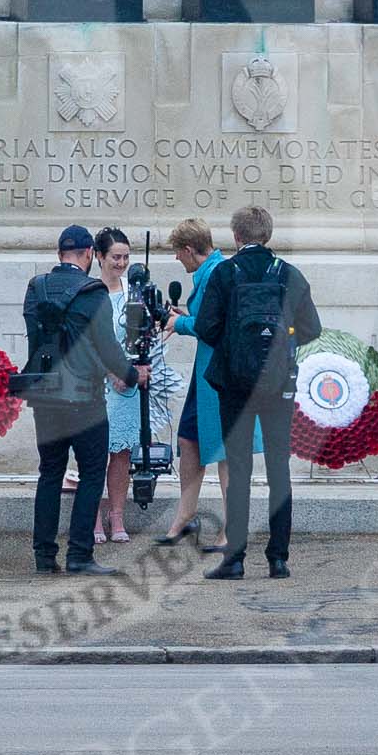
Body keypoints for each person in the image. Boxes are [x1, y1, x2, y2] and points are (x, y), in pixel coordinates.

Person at [193, 205, 322, 581]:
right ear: (268, 234)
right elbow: (311, 328)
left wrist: (235, 347)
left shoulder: (225, 274)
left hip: (234, 385)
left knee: (239, 470)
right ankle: (278, 557)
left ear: (236, 236)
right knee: (279, 469)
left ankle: (234, 559)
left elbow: (206, 327)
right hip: (278, 384)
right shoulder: (288, 274)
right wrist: (284, 341)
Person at [20, 223, 145, 576]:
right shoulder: (92, 292)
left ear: (60, 253)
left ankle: (44, 555)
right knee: (91, 474)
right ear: (90, 254)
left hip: (45, 395)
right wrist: (133, 374)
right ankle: (79, 554)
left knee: (50, 473)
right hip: (84, 397)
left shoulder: (37, 287)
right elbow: (107, 348)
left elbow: (35, 341)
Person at [158, 218, 228, 547]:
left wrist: (180, 322)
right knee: (188, 440)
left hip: (219, 373)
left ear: (189, 250)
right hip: (206, 373)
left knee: (226, 450)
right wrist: (182, 317)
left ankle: (231, 527)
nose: (176, 259)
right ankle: (185, 516)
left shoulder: (216, 273)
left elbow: (211, 325)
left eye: (177, 253)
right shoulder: (210, 271)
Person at [93, 227, 138, 543]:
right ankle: (93, 515)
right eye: (115, 257)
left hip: (127, 384)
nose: (121, 263)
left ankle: (117, 515)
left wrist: (132, 371)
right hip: (95, 381)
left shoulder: (133, 291)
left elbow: (138, 339)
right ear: (99, 257)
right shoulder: (90, 291)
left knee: (122, 452)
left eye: (125, 257)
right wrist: (109, 371)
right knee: (93, 452)